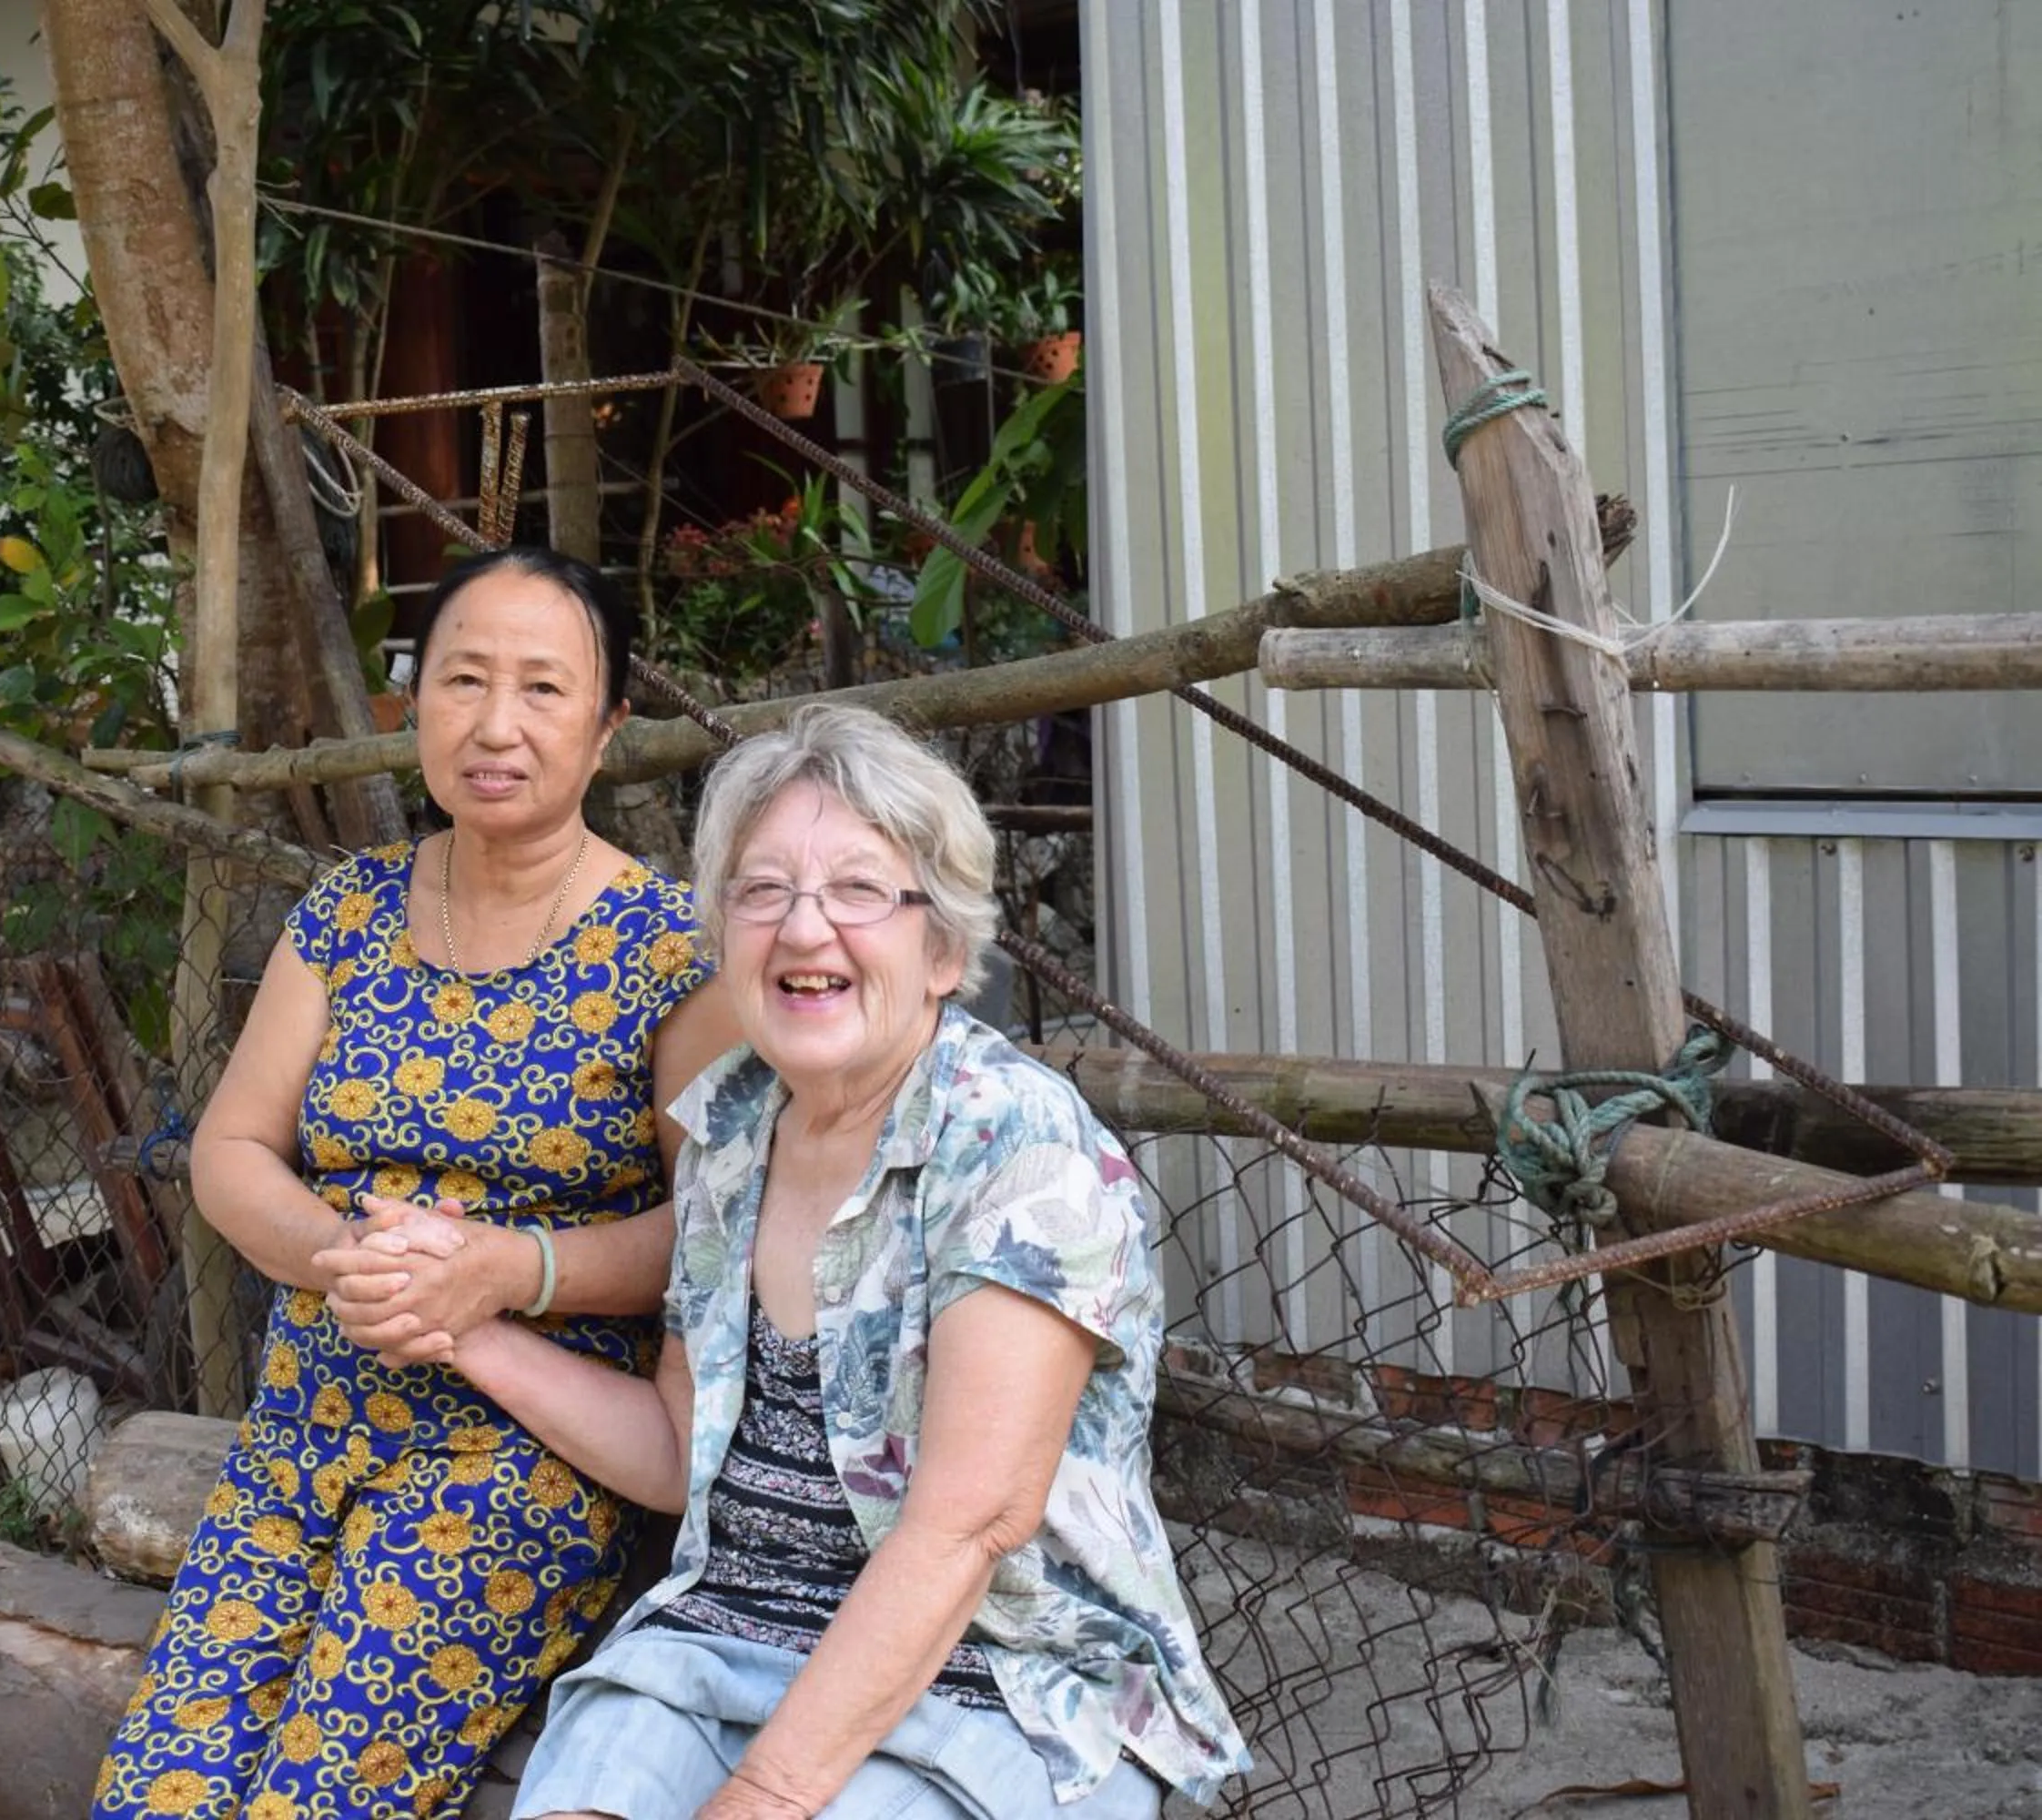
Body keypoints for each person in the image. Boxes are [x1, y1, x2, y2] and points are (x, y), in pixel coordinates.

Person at [329, 703, 1249, 1817]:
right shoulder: (731, 1129)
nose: (805, 931)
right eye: (764, 891)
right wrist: (458, 1322)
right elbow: (682, 1447)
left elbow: (966, 1525)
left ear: (944, 947)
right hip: (722, 1640)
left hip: (998, 1686)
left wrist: (762, 1794)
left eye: (861, 890)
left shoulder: (1017, 1144)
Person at [90, 548, 733, 1820]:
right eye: (464, 681)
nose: (497, 725)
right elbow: (229, 1153)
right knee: (157, 1792)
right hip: (305, 1430)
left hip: (520, 1456)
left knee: (318, 1801)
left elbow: (713, 1226)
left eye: (544, 690)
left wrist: (510, 1271)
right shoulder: (348, 914)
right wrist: (349, 1259)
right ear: (417, 704)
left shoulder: (675, 950)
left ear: (605, 730)